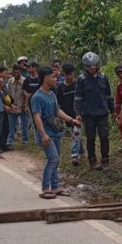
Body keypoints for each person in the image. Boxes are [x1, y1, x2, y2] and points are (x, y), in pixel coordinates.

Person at [31, 66, 76, 199]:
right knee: (53, 159)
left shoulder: (51, 94)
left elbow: (57, 111)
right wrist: (43, 134)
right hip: (46, 133)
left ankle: (55, 187)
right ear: (45, 79)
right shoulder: (37, 97)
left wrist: (71, 120)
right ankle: (45, 188)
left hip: (55, 132)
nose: (56, 79)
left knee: (56, 160)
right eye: (54, 77)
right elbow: (37, 117)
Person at [74, 52, 114, 170]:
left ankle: (105, 160)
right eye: (89, 66)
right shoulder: (81, 80)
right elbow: (78, 98)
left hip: (102, 113)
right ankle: (92, 160)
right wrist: (78, 113)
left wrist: (113, 110)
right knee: (90, 138)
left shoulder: (103, 78)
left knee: (104, 137)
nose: (92, 68)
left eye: (94, 65)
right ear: (85, 67)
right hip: (88, 114)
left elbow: (108, 95)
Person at [57, 62, 83, 165]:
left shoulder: (78, 85)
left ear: (73, 74)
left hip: (79, 114)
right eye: (66, 74)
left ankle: (74, 155)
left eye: (70, 74)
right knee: (75, 133)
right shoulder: (60, 88)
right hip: (68, 116)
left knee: (76, 133)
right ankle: (81, 151)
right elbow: (59, 104)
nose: (68, 76)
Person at [7, 64, 30, 146]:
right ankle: (10, 141)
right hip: (13, 107)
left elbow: (27, 94)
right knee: (11, 126)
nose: (16, 74)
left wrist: (26, 105)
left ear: (20, 72)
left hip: (22, 106)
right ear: (13, 72)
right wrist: (10, 104)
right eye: (14, 72)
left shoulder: (25, 80)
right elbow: (8, 93)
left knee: (25, 125)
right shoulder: (10, 81)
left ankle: (25, 140)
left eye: (18, 72)